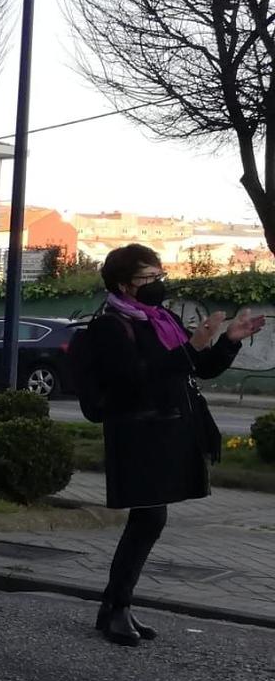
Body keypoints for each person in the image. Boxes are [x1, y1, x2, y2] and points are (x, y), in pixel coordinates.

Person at [88, 243, 261, 645]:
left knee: (149, 520)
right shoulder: (111, 325)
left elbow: (198, 368)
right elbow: (131, 378)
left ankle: (115, 607)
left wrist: (229, 341)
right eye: (150, 278)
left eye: (160, 275)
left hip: (167, 430)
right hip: (136, 433)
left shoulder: (160, 318)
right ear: (124, 285)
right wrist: (192, 346)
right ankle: (117, 608)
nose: (158, 284)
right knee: (149, 519)